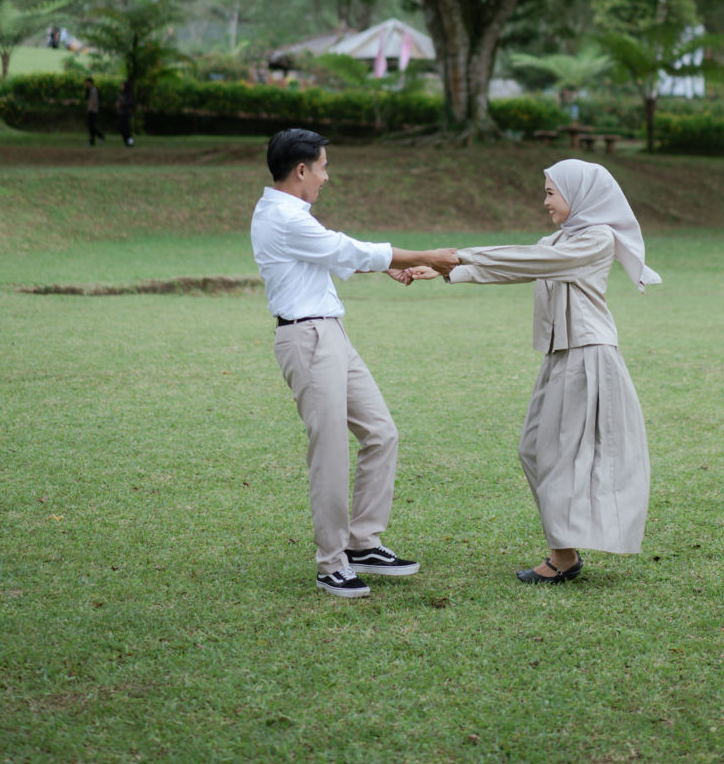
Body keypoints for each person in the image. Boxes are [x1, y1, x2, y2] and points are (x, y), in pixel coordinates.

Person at [250, 127, 460, 600]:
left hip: (331, 333)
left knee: (381, 433)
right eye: (323, 167)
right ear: (301, 170)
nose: (327, 176)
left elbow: (330, 253)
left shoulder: (291, 215)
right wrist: (424, 255)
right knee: (330, 451)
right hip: (307, 337)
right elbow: (343, 247)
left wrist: (386, 265)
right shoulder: (282, 216)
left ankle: (363, 542)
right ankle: (331, 563)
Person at [443, 159, 661, 585]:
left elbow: (535, 261)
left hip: (588, 354)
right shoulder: (561, 239)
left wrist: (456, 256)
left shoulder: (596, 239)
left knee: (556, 454)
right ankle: (566, 550)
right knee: (533, 448)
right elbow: (517, 266)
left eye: (549, 192)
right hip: (561, 354)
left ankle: (563, 557)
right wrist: (445, 268)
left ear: (579, 194)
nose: (544, 201)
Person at [84, 76, 105, 146]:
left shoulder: (94, 90)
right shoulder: (90, 90)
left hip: (93, 111)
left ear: (90, 83)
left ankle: (95, 139)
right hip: (91, 110)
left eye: (87, 83)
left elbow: (94, 101)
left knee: (91, 126)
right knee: (91, 126)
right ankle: (98, 138)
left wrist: (90, 109)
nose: (86, 84)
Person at [115, 79, 135, 146]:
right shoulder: (121, 94)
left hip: (125, 112)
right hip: (120, 112)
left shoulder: (128, 94)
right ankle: (127, 140)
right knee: (120, 127)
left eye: (122, 85)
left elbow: (130, 103)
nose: (121, 86)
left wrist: (121, 105)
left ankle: (129, 140)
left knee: (125, 127)